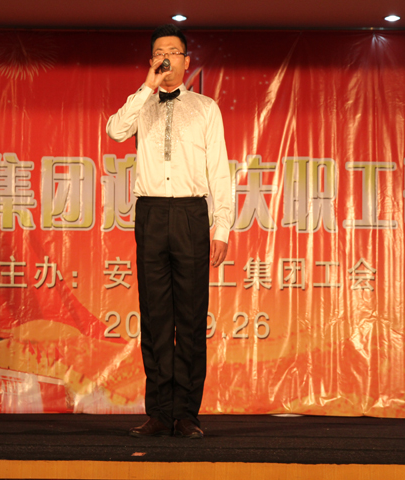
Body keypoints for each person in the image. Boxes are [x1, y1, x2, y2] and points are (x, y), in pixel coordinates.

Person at [106, 24, 232, 439]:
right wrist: (147, 86)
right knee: (156, 316)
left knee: (191, 318)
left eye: (173, 52)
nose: (166, 58)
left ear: (186, 61)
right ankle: (159, 412)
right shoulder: (141, 104)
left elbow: (219, 171)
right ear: (151, 61)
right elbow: (115, 131)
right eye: (159, 52)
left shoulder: (205, 108)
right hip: (151, 213)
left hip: (191, 214)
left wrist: (222, 227)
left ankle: (187, 413)